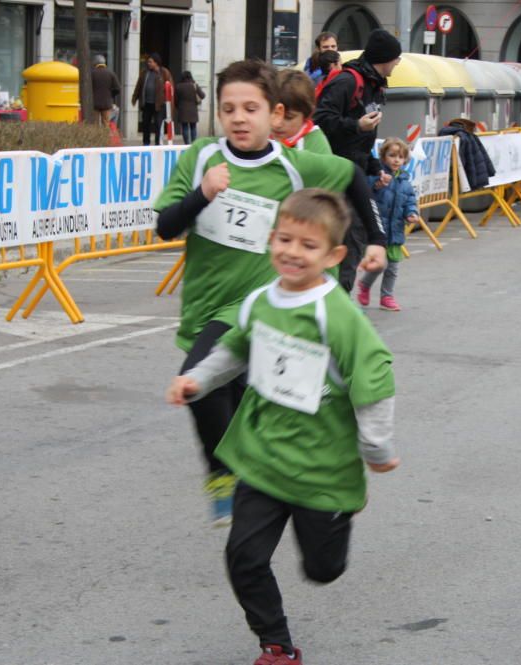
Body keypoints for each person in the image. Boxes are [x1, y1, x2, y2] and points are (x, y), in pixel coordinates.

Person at [167, 188, 399, 665]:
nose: (293, 252)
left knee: (323, 570)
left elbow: (373, 379)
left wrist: (376, 450)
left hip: (322, 467)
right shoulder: (260, 301)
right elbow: (236, 349)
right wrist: (198, 379)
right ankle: (275, 644)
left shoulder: (337, 315)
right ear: (271, 239)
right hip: (263, 456)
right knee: (244, 558)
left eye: (308, 245)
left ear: (334, 255)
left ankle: (339, 515)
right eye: (285, 240)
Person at [153, 60, 386, 527]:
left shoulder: (294, 165)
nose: (239, 118)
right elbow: (165, 227)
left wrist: (378, 239)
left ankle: (225, 476)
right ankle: (271, 488)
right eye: (228, 109)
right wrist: (203, 194)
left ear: (273, 113)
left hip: (258, 307)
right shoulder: (200, 158)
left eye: (251, 108)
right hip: (202, 306)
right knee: (237, 405)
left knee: (198, 381)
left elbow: (354, 178)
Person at [313, 28, 402, 292]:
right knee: (348, 239)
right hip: (336, 175)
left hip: (356, 172)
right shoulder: (348, 82)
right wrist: (356, 125)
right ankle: (335, 299)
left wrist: (376, 166)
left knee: (354, 239)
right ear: (384, 58)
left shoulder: (373, 85)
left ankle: (338, 297)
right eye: (396, 58)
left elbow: (360, 143)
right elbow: (320, 120)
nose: (398, 63)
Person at [357, 137, 417, 312]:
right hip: (379, 228)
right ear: (383, 158)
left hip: (396, 228)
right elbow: (367, 192)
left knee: (393, 266)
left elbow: (410, 201)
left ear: (405, 159)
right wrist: (377, 184)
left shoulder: (405, 181)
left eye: (400, 156)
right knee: (379, 264)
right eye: (392, 155)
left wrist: (412, 213)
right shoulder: (376, 175)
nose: (396, 160)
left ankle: (387, 296)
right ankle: (365, 285)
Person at [271, 69, 332, 153]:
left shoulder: (315, 144)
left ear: (306, 115)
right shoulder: (262, 135)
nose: (278, 123)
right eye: (274, 113)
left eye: (288, 117)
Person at [131, 53, 174, 146]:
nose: (148, 63)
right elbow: (139, 86)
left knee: (158, 125)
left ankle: (158, 144)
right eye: (148, 62)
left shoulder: (164, 72)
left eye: (150, 62)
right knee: (146, 124)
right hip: (147, 104)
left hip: (159, 104)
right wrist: (134, 97)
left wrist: (170, 104)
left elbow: (170, 88)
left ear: (156, 62)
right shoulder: (144, 73)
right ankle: (146, 143)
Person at [175, 70, 206, 145]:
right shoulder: (194, 85)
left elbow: (176, 99)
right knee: (193, 127)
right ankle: (193, 143)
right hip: (193, 109)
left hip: (182, 109)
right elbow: (202, 95)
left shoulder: (178, 86)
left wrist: (178, 107)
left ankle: (187, 144)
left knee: (185, 127)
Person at [91, 54, 120, 126]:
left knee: (95, 124)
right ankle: (105, 137)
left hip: (94, 103)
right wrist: (110, 96)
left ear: (95, 63)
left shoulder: (92, 73)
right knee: (106, 123)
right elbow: (118, 88)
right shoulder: (111, 73)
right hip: (107, 103)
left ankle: (96, 137)